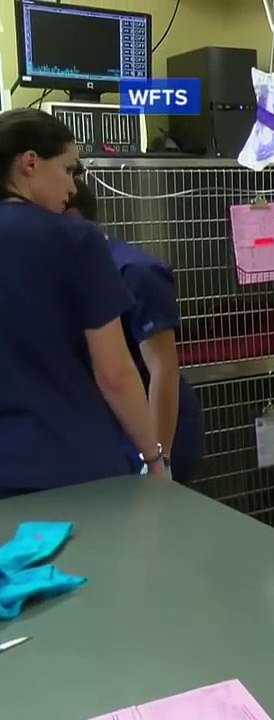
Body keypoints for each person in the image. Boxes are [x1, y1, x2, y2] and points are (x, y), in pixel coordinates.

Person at [0, 108, 165, 496]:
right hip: (74, 464)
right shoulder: (76, 240)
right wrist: (154, 457)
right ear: (30, 163)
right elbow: (114, 372)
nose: (73, 187)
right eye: (69, 169)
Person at [66, 176, 205, 485]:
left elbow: (163, 370)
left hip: (156, 424)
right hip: (109, 428)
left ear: (71, 219)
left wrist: (158, 458)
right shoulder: (73, 274)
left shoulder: (135, 272)